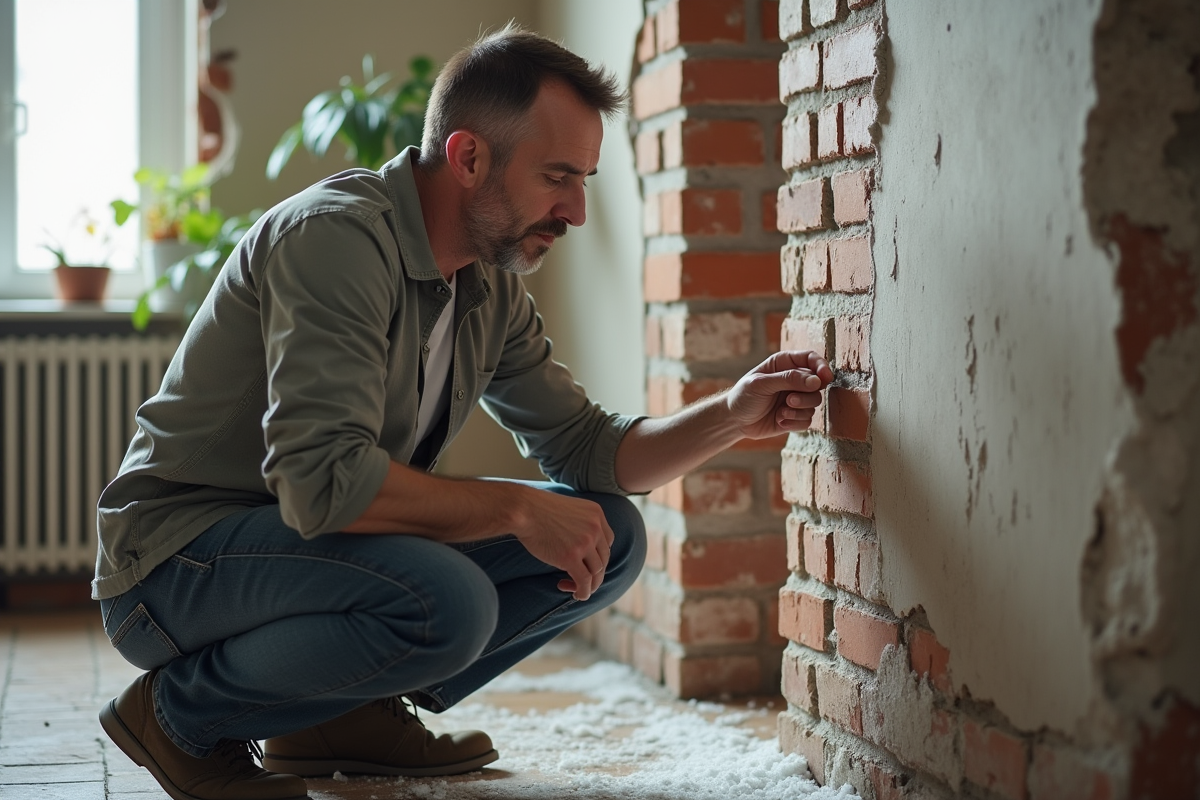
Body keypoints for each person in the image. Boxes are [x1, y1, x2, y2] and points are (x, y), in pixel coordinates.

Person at [93, 24, 833, 800]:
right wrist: (513, 509)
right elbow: (322, 484)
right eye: (557, 177)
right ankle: (178, 716)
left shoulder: (486, 286)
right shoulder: (337, 240)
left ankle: (334, 719)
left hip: (299, 555)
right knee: (447, 601)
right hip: (174, 565)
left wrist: (734, 413)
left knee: (610, 536)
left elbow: (587, 447)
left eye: (583, 180)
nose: (576, 211)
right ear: (468, 157)